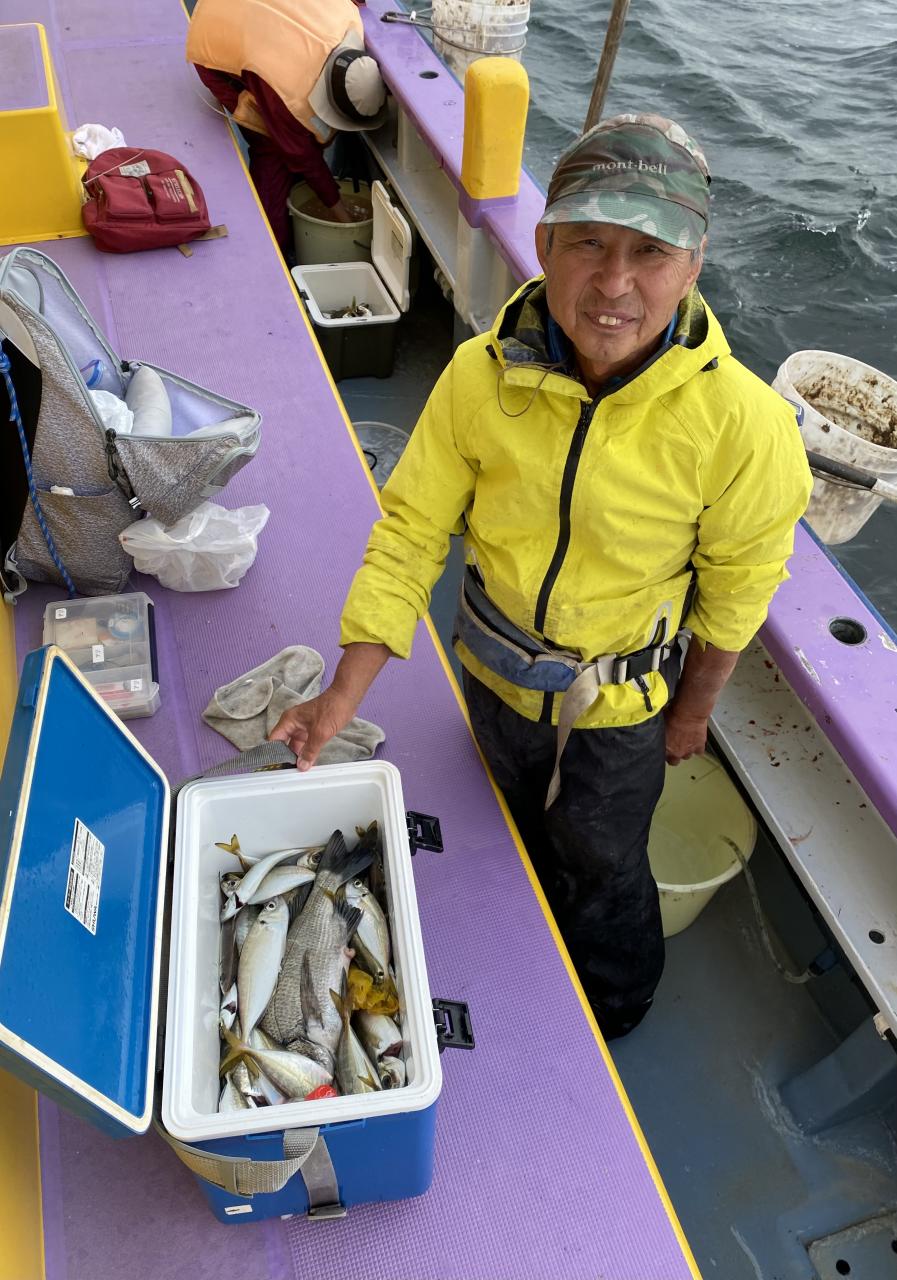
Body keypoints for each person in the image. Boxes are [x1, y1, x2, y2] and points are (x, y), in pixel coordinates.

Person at [270, 114, 813, 1039]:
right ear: (545, 243)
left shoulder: (745, 427)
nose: (614, 283)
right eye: (588, 243)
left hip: (618, 710)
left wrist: (689, 715)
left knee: (601, 863)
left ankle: (615, 1008)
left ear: (693, 264)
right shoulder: (476, 378)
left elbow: (735, 594)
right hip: (491, 674)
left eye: (650, 252)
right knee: (502, 825)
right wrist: (339, 698)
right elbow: (410, 533)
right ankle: (516, 957)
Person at [186, 0, 388, 252]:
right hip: (214, 25)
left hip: (264, 21)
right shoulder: (286, 91)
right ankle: (271, 243)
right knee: (270, 142)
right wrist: (341, 213)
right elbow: (302, 154)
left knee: (290, 138)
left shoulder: (348, 17)